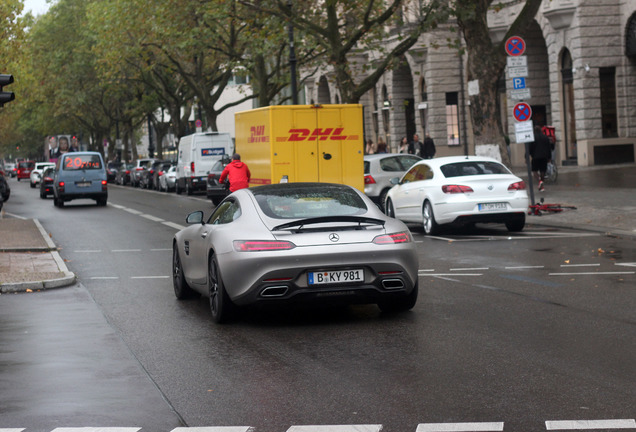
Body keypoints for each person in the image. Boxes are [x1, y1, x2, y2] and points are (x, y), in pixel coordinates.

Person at [529, 126, 553, 192]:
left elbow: (530, 147)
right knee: (543, 171)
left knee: (534, 171)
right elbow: (549, 148)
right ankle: (541, 184)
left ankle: (539, 180)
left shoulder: (532, 138)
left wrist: (527, 156)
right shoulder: (545, 137)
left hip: (535, 157)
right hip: (544, 157)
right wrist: (549, 157)